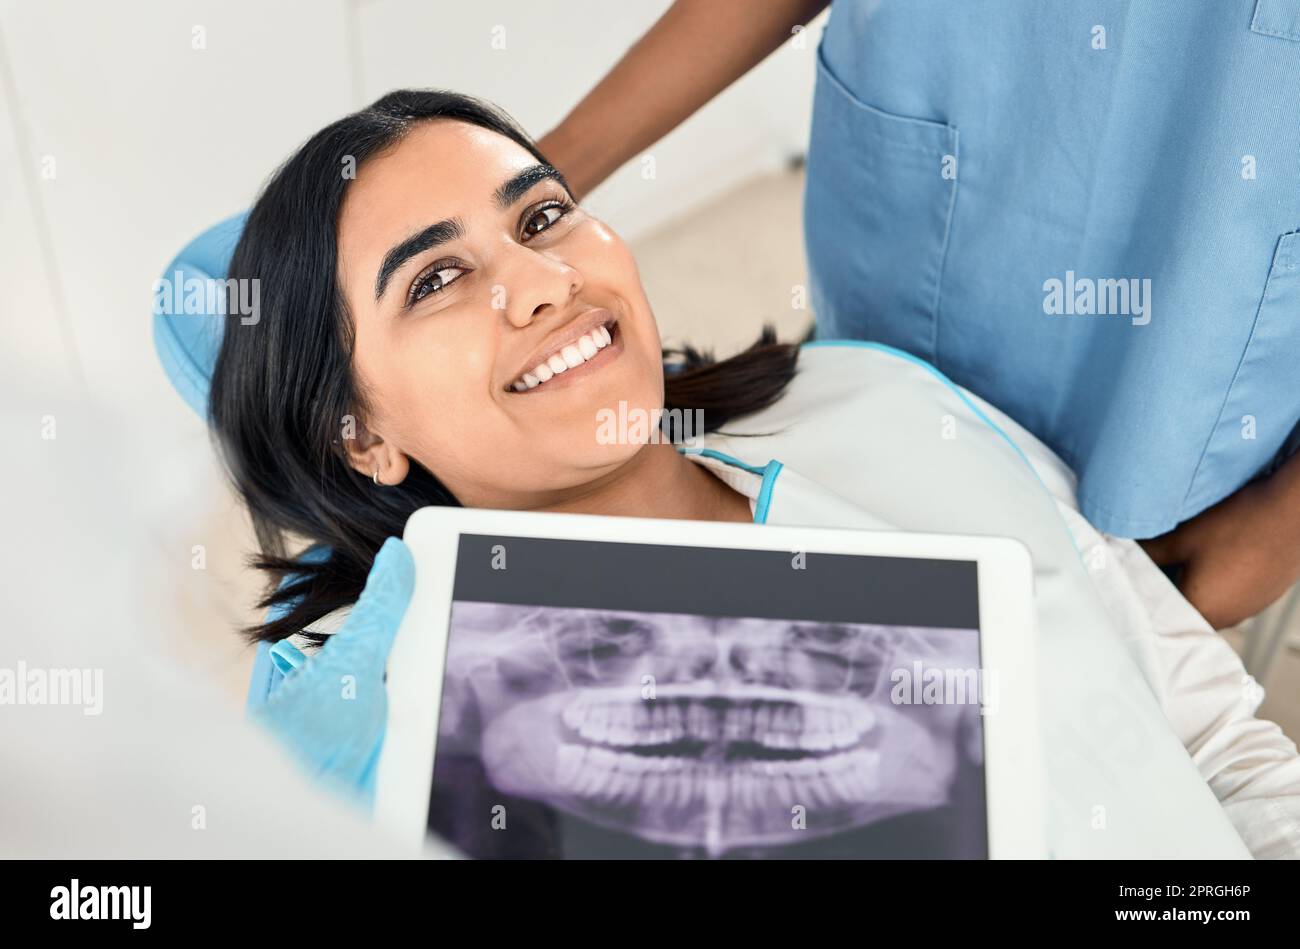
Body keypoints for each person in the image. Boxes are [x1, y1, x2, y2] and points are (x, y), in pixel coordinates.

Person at [179, 89, 1300, 857]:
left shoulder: (880, 403)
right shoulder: (432, 733)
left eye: (543, 215)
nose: (539, 282)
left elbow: (1209, 739)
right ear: (361, 438)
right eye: (434, 280)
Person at [533, 0, 1300, 631]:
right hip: (911, 248)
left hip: (1193, 353)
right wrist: (539, 178)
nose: (537, 292)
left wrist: (1282, 525)